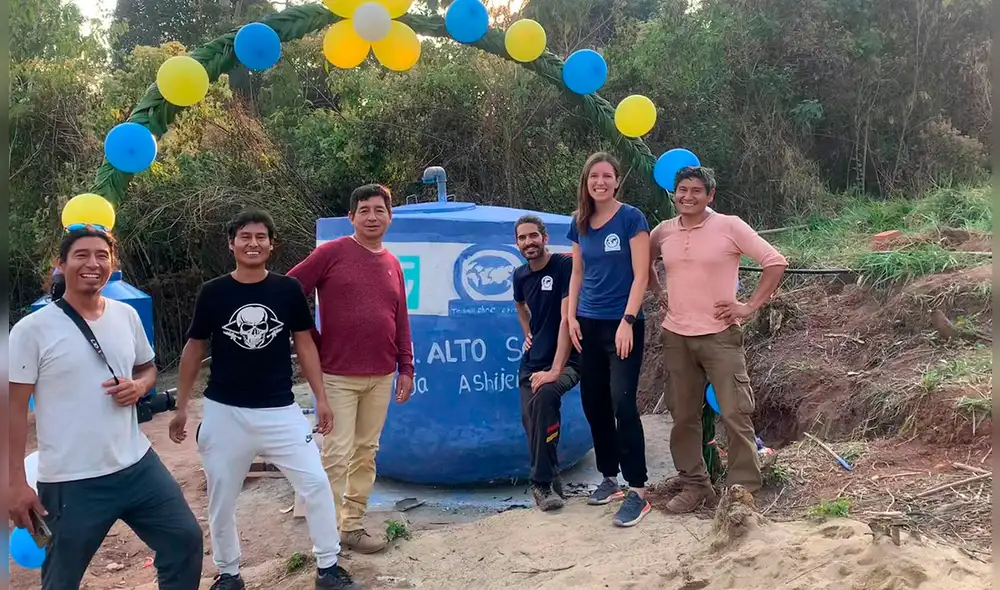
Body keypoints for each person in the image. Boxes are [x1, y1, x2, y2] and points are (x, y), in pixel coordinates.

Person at [168, 209, 358, 590]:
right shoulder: (214, 292)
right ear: (231, 243)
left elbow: (304, 343)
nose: (252, 243)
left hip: (281, 412)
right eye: (245, 237)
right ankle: (230, 573)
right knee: (221, 499)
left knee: (316, 484)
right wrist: (181, 406)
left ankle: (328, 567)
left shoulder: (287, 290)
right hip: (225, 413)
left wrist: (321, 397)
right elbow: (193, 347)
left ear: (272, 244)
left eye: (260, 237)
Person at [8, 225, 203, 590]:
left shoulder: (125, 315)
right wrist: (14, 483)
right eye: (81, 255)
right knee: (62, 580)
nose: (92, 264)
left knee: (184, 540)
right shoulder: (31, 330)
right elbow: (13, 409)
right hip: (72, 480)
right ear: (60, 264)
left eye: (102, 255)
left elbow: (147, 368)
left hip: (137, 466)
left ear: (112, 263)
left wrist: (140, 386)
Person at [649, 166, 788, 513]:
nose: (688, 196)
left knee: (734, 412)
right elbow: (644, 263)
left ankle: (743, 489)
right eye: (682, 190)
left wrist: (749, 306)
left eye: (697, 191)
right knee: (683, 416)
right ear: (674, 193)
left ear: (710, 195)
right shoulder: (663, 231)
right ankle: (696, 486)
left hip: (720, 335)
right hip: (677, 335)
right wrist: (658, 290)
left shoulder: (729, 226)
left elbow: (775, 261)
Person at [288, 184, 415, 554]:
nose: (372, 217)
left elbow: (400, 318)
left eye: (379, 210)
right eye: (364, 211)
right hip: (338, 375)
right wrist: (313, 337)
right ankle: (324, 540)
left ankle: (352, 527)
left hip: (382, 375)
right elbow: (289, 290)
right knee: (336, 455)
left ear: (390, 217)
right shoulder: (332, 253)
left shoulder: (393, 264)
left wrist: (405, 366)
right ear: (352, 217)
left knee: (366, 451)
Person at [566, 152, 652, 528]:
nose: (599, 182)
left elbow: (641, 276)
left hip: (623, 325)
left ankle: (638, 490)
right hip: (588, 323)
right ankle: (609, 478)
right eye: (593, 177)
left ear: (617, 180)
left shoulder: (632, 218)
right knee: (594, 403)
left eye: (606, 176)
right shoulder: (579, 223)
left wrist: (627, 321)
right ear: (586, 183)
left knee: (622, 403)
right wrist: (570, 317)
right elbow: (578, 272)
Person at [512, 214, 581, 511]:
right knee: (532, 421)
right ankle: (553, 479)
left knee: (545, 398)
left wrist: (555, 369)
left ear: (544, 237)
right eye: (522, 238)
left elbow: (567, 319)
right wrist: (528, 333)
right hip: (532, 362)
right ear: (517, 243)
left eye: (533, 236)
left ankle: (539, 484)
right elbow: (520, 305)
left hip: (569, 361)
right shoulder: (520, 275)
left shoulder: (564, 266)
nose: (529, 242)